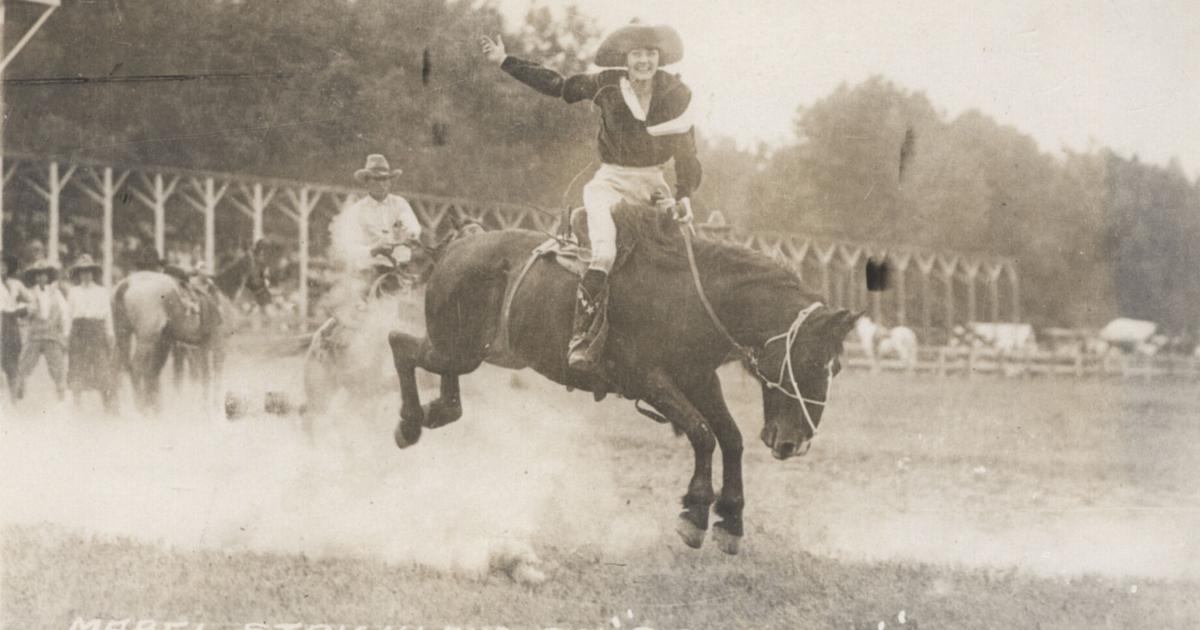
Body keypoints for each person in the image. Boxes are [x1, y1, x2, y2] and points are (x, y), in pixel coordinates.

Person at [482, 22, 702, 378]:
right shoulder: (606, 84)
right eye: (636, 54)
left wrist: (684, 196)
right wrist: (506, 61)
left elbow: (688, 154)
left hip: (653, 185)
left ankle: (683, 343)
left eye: (650, 54)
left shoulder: (678, 94)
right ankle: (583, 336)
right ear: (625, 58)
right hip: (611, 182)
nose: (644, 61)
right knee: (604, 253)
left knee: (688, 253)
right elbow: (558, 85)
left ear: (659, 58)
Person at [329, 154, 424, 300]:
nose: (382, 184)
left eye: (385, 179)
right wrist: (373, 249)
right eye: (377, 179)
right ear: (367, 183)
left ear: (390, 182)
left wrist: (410, 235)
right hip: (369, 274)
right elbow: (350, 247)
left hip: (401, 271)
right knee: (367, 308)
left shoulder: (400, 204)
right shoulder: (357, 211)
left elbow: (412, 226)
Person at [65, 255, 116, 410]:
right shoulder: (73, 292)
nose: (86, 275)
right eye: (82, 271)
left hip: (97, 330)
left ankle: (107, 403)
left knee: (101, 363)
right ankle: (77, 403)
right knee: (77, 364)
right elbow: (68, 314)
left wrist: (110, 333)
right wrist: (67, 334)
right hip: (79, 330)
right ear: (79, 274)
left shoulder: (102, 291)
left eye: (88, 271)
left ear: (93, 273)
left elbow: (107, 314)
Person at [18, 259, 70, 401]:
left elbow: (65, 312)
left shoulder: (56, 293)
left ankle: (61, 395)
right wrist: (28, 310)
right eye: (38, 274)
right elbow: (21, 313)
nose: (41, 277)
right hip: (34, 335)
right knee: (23, 364)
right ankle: (19, 392)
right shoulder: (29, 293)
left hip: (51, 335)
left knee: (58, 366)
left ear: (48, 277)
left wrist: (65, 332)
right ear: (35, 277)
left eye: (44, 274)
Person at [1, 254, 31, 400]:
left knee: (12, 359)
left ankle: (14, 396)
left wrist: (21, 308)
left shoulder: (16, 284)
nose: (1, 268)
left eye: (4, 265)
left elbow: (31, 300)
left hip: (10, 322)